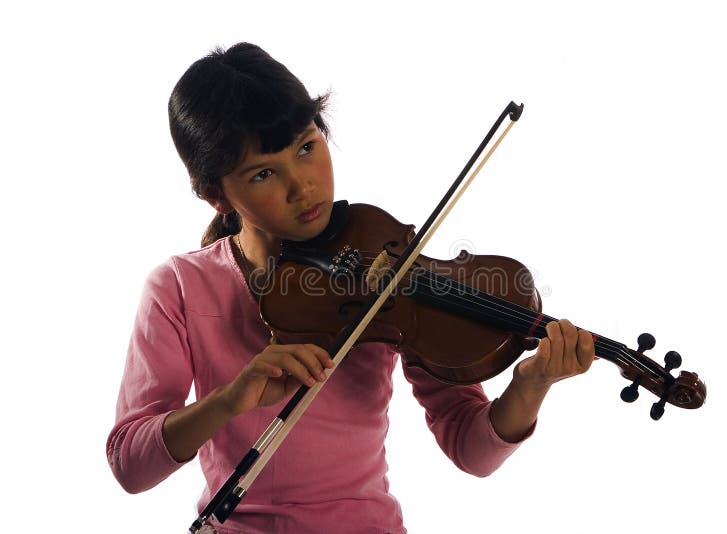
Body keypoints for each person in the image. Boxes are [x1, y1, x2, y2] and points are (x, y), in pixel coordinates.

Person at [106, 42, 595, 534]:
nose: (303, 187)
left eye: (306, 147)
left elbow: (472, 450)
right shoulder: (179, 287)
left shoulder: (381, 255)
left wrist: (530, 386)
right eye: (264, 173)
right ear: (215, 195)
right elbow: (130, 464)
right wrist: (230, 400)